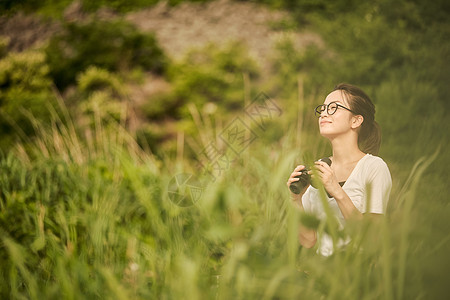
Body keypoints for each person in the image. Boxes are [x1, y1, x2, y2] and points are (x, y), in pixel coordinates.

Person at [286, 83, 392, 256]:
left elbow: (373, 238)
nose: (324, 113)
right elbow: (308, 241)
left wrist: (336, 190)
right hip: (322, 273)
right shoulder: (320, 168)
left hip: (358, 275)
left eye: (334, 107)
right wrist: (295, 200)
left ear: (356, 120)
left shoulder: (374, 167)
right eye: (323, 108)